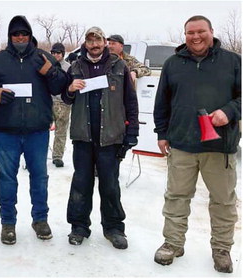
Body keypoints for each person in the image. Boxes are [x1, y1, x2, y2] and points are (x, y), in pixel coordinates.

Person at [153, 15, 241, 274]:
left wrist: (230, 111)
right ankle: (173, 243)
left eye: (201, 31)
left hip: (219, 146)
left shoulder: (233, 62)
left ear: (211, 32)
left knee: (223, 201)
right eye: (190, 32)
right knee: (177, 198)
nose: (195, 36)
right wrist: (161, 132)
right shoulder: (172, 64)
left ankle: (222, 248)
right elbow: (162, 102)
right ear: (185, 35)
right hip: (182, 144)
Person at [0, 15, 70, 245]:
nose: (20, 37)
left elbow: (62, 87)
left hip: (37, 131)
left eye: (24, 34)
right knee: (7, 178)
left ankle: (40, 219)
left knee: (40, 177)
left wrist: (51, 72)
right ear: (10, 36)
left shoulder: (43, 57)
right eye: (16, 34)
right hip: (6, 131)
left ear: (30, 35)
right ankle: (8, 223)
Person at [62, 27, 139, 248]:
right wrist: (70, 88)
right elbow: (66, 99)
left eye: (98, 41)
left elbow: (130, 101)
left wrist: (131, 131)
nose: (94, 45)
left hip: (111, 137)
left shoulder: (119, 66)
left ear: (105, 42)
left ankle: (114, 228)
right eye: (90, 41)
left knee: (110, 185)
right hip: (83, 137)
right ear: (85, 43)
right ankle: (78, 226)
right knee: (81, 184)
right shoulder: (75, 66)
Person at [50, 42, 71, 168]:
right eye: (53, 52)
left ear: (63, 54)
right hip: (48, 101)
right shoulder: (47, 65)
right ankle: (39, 155)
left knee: (61, 131)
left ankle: (57, 156)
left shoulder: (68, 67)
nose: (55, 55)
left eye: (58, 53)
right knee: (41, 129)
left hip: (63, 103)